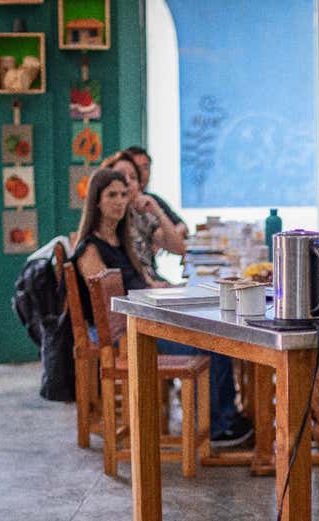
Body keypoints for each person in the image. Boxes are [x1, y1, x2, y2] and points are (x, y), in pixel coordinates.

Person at [71, 168, 253, 447]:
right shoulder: (90, 249)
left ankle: (226, 417)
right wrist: (152, 296)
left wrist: (162, 290)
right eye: (111, 195)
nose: (120, 201)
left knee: (215, 333)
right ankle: (218, 427)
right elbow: (107, 308)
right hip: (125, 334)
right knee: (210, 343)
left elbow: (141, 282)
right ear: (96, 201)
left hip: (141, 321)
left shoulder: (120, 241)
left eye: (123, 194)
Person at [101, 151, 186, 284]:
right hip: (140, 294)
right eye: (121, 176)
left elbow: (178, 248)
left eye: (133, 177)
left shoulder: (140, 216)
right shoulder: (106, 226)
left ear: (139, 185)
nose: (128, 181)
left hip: (152, 286)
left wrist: (157, 211)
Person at [125, 145, 189, 239]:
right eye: (137, 168)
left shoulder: (152, 200)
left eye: (146, 167)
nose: (142, 173)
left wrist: (165, 237)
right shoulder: (121, 203)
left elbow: (182, 226)